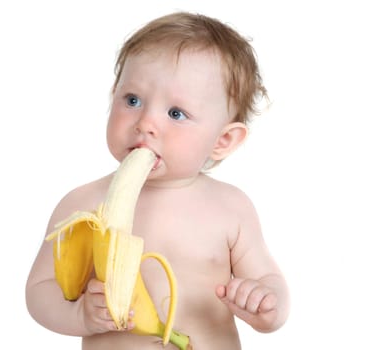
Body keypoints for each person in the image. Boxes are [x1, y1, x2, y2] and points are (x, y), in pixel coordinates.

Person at [26, 11, 290, 350]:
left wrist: (265, 305)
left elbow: (269, 280)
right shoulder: (84, 204)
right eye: (132, 100)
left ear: (222, 141)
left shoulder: (231, 208)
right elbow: (39, 290)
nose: (145, 122)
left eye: (176, 113)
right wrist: (79, 316)